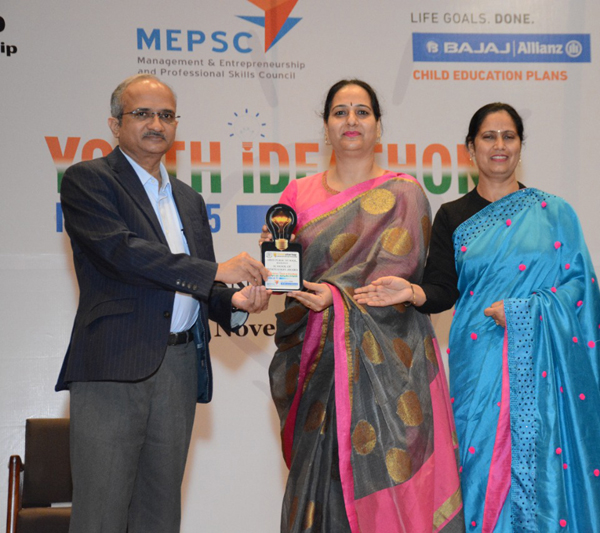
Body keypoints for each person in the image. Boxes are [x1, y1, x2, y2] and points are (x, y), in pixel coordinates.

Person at [355, 103, 600, 532]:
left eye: (509, 136)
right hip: (480, 360)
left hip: (546, 364)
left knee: (548, 461)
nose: (499, 146)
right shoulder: (452, 215)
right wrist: (411, 291)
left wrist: (526, 311)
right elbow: (443, 290)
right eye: (489, 137)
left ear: (520, 146)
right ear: (470, 148)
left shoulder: (554, 214)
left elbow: (579, 289)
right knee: (481, 461)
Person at [57, 73, 271, 533]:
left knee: (160, 515)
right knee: (101, 514)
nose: (157, 123)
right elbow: (121, 252)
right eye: (143, 113)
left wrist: (238, 301)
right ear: (114, 124)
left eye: (167, 115)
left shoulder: (189, 200)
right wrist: (215, 272)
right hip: (113, 365)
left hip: (177, 369)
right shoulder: (87, 180)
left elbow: (201, 284)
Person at [262, 79, 464, 532]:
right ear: (326, 126)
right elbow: (289, 284)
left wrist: (334, 298)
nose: (350, 120)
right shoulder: (296, 195)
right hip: (316, 358)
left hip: (389, 366)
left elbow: (399, 275)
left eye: (361, 111)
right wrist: (278, 261)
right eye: (339, 111)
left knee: (391, 484)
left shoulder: (404, 194)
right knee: (324, 482)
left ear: (377, 125)